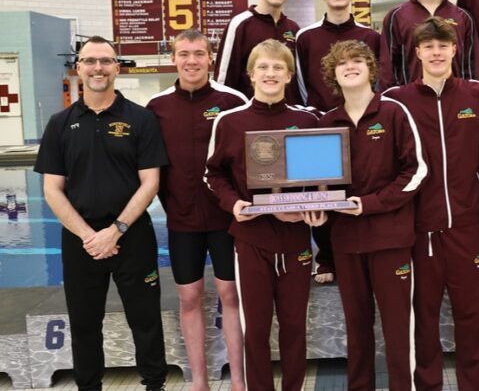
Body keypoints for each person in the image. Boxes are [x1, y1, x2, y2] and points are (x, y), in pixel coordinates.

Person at [34, 36, 169, 391]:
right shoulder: (60, 124)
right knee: (83, 324)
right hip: (81, 241)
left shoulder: (141, 119)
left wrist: (117, 229)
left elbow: (150, 182)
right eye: (91, 61)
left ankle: (155, 385)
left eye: (106, 61)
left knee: (145, 321)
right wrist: (89, 236)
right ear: (78, 67)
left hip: (132, 236)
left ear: (117, 67)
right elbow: (52, 189)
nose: (98, 68)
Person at [205, 39, 324, 391]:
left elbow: (321, 178)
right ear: (251, 74)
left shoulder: (307, 120)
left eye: (277, 68)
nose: (270, 73)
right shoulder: (230, 121)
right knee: (255, 329)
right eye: (263, 67)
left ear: (288, 75)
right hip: (252, 241)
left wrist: (314, 207)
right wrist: (233, 204)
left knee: (293, 327)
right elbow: (213, 174)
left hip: (296, 241)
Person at [384, 17, 479, 390]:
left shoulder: (477, 94)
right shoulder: (398, 100)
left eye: (443, 45)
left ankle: (472, 385)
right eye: (429, 46)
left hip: (465, 224)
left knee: (468, 316)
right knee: (425, 316)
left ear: (454, 49)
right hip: (420, 229)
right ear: (417, 52)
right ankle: (428, 384)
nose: (436, 52)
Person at [319, 40, 427, 390]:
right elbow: (317, 182)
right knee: (357, 327)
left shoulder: (394, 113)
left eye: (358, 61)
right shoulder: (326, 122)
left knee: (397, 328)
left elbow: (416, 172)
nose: (350, 66)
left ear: (370, 69)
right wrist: (316, 206)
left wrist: (370, 204)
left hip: (390, 239)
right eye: (342, 63)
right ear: (333, 75)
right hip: (346, 243)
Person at [146, 29, 248, 391]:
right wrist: (170, 205)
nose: (191, 61)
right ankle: (199, 381)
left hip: (226, 219)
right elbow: (150, 168)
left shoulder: (233, 100)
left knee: (230, 294)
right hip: (182, 221)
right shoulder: (157, 107)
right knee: (189, 298)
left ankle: (238, 379)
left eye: (199, 54)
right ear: (174, 58)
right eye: (184, 53)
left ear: (210, 58)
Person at [296, 0, 381, 283]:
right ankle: (327, 258)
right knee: (323, 192)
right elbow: (302, 84)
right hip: (322, 125)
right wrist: (314, 117)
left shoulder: (370, 36)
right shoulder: (306, 38)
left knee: (360, 187)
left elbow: (377, 80)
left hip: (361, 123)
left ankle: (364, 249)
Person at [214, 0, 302, 104]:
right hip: (249, 113)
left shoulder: (293, 29)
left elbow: (297, 79)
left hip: (286, 115)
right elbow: (224, 77)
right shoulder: (240, 24)